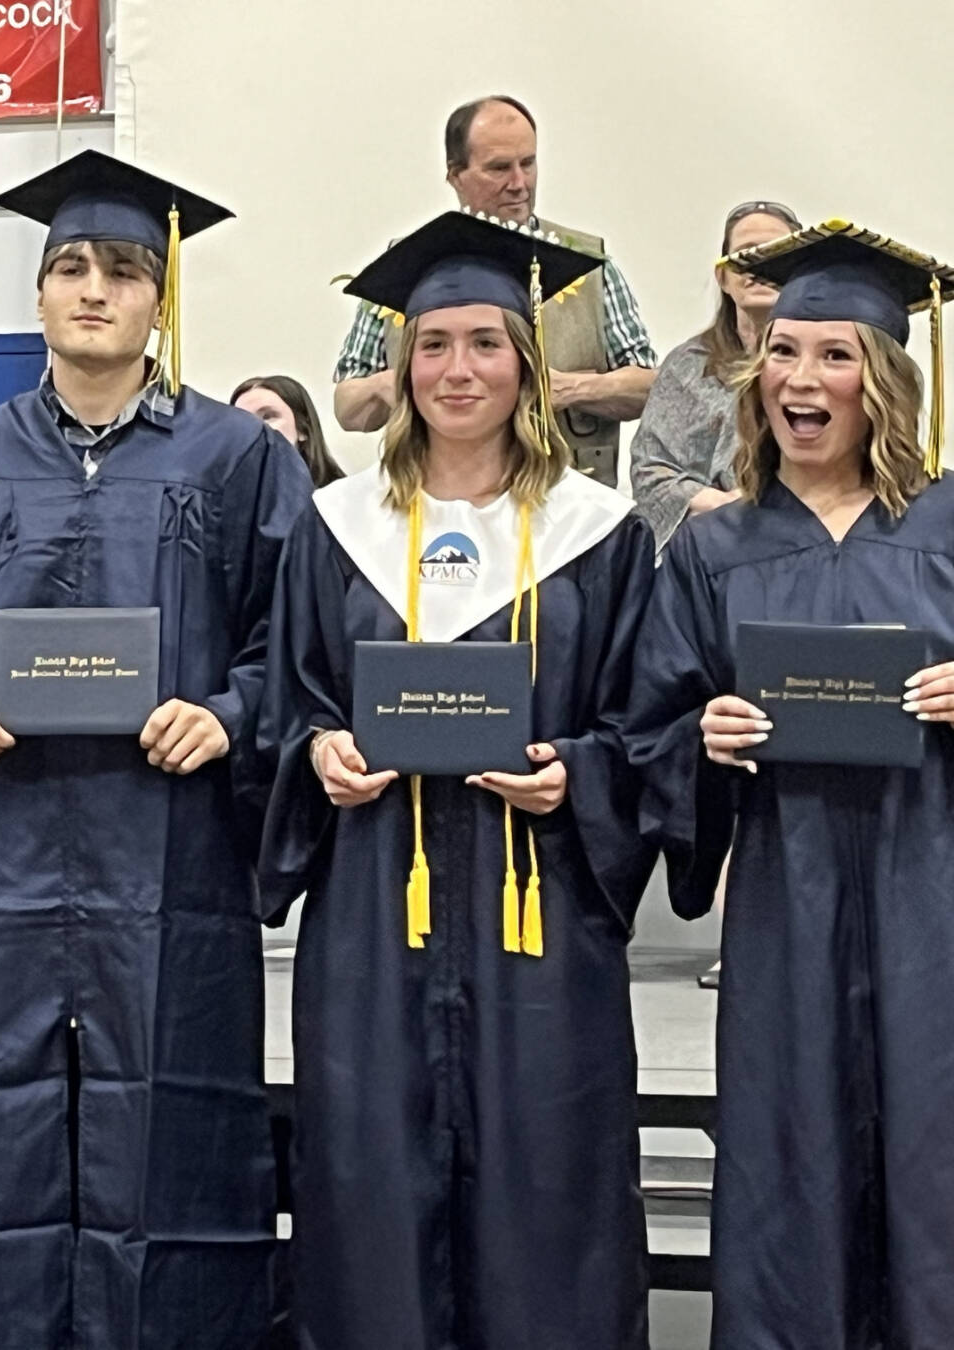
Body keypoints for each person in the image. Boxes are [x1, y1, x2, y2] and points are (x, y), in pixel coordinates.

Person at [0, 150, 312, 1349]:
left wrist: (230, 712)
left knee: (170, 1142)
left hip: (170, 857)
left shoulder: (237, 459)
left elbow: (298, 640)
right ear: (38, 297)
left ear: (157, 299)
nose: (93, 290)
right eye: (69, 267)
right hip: (13, 847)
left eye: (122, 270)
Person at [261, 210, 657, 1350]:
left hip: (541, 924)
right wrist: (315, 753)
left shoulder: (600, 534)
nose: (457, 370)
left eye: (486, 342)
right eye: (432, 346)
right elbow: (289, 697)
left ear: (527, 363)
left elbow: (650, 723)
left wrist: (576, 776)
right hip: (374, 920)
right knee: (371, 1176)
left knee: (551, 1184)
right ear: (400, 367)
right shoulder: (337, 528)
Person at [626, 220, 954, 1347]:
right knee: (788, 1151)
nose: (801, 378)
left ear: (885, 382)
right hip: (783, 909)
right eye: (782, 351)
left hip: (935, 906)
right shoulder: (716, 552)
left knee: (935, 1151)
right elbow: (646, 730)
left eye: (834, 355)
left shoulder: (951, 528)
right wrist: (698, 738)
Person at [332, 95, 657, 485]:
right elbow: (347, 407)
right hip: (435, 498)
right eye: (499, 168)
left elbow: (649, 386)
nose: (519, 184)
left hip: (568, 504)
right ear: (456, 176)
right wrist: (395, 384)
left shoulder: (589, 265)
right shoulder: (409, 265)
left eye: (528, 163)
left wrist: (572, 388)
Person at [630, 200, 803, 550]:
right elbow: (650, 473)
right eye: (745, 254)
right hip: (707, 545)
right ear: (722, 277)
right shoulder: (688, 366)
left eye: (775, 253)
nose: (758, 264)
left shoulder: (824, 369)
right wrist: (723, 507)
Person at [233, 373, 344, 488]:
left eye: (267, 416)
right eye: (242, 421)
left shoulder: (342, 498)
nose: (252, 428)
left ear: (302, 428)